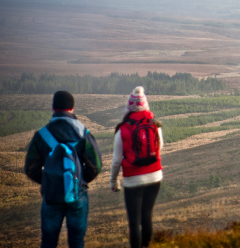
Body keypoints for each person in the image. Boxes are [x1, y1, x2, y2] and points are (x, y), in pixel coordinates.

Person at [24, 90, 102, 248]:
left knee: (49, 242)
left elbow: (31, 168)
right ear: (72, 108)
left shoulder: (42, 135)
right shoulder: (82, 133)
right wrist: (79, 180)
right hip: (77, 194)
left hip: (51, 195)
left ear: (53, 109)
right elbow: (96, 165)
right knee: (76, 242)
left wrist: (48, 181)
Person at [110, 86, 164, 248]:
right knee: (147, 216)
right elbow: (159, 147)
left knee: (134, 223)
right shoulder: (155, 124)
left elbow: (116, 160)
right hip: (155, 177)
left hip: (133, 180)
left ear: (129, 106)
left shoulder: (123, 129)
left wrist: (113, 181)